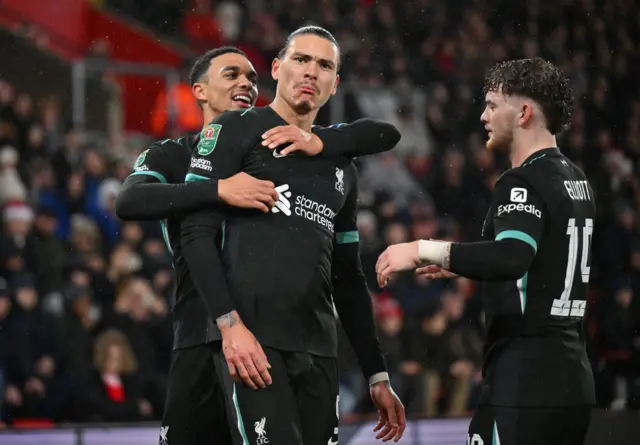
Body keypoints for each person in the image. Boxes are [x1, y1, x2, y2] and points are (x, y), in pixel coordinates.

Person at [116, 45, 403, 444]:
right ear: (199, 90)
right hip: (201, 328)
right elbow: (129, 202)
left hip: (262, 328)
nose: (245, 84)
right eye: (231, 75)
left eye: (252, 78)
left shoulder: (280, 145)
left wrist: (325, 143)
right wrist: (218, 190)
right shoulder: (173, 153)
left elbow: (383, 133)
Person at [376, 57, 595, 445]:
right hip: (571, 381)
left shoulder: (521, 181)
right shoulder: (577, 181)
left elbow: (513, 256)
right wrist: (465, 265)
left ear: (524, 112)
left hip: (523, 383)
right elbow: (540, 263)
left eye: (493, 105)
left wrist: (424, 249)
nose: (483, 116)